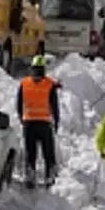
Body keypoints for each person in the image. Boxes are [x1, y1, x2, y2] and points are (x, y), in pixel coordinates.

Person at [15, 54, 60, 187]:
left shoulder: (24, 83)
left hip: (29, 124)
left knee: (30, 153)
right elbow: (54, 106)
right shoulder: (49, 84)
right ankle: (49, 177)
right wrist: (56, 122)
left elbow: (19, 104)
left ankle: (30, 178)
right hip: (44, 124)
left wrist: (22, 118)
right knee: (48, 152)